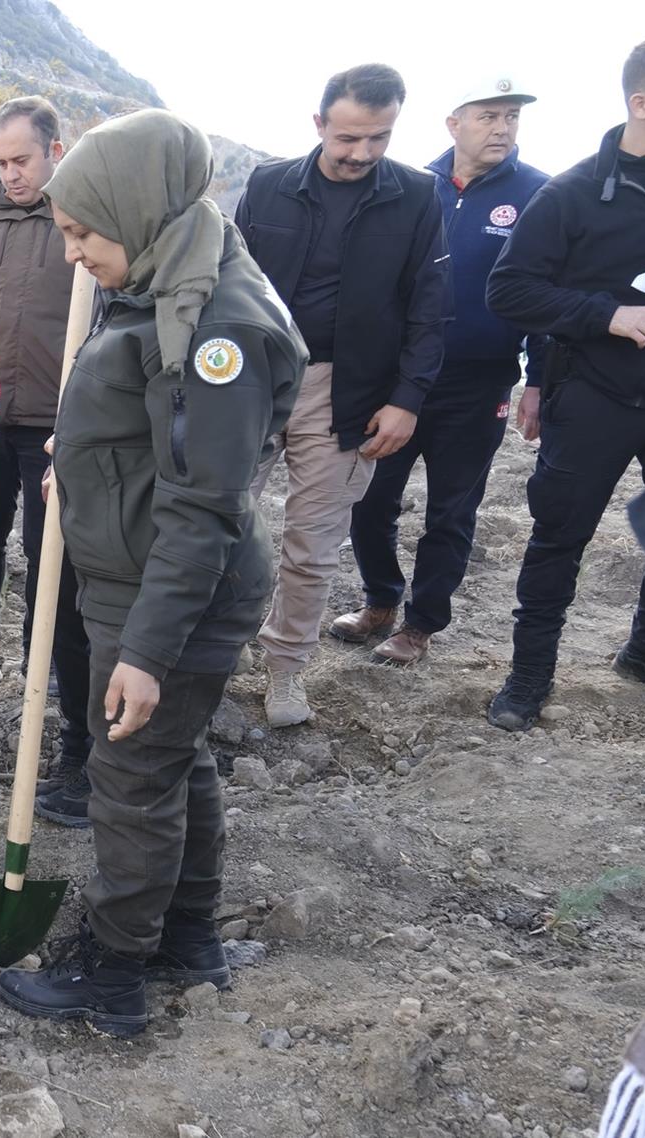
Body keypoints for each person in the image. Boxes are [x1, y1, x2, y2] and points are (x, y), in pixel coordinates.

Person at [0, 109, 306, 1036]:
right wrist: (82, 449)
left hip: (172, 592)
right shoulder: (167, 278)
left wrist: (145, 653)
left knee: (130, 776)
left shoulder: (219, 330)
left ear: (137, 209)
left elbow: (202, 505)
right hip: (137, 572)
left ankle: (116, 974)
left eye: (84, 234)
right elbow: (145, 425)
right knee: (174, 758)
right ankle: (188, 938)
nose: (74, 254)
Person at [235, 63, 450, 728]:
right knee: (214, 522)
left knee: (313, 542)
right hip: (255, 382)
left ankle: (286, 670)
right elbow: (230, 284)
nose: (361, 153)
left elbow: (429, 307)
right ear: (320, 124)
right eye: (349, 137)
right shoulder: (268, 185)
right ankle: (208, 649)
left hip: (348, 392)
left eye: (378, 139)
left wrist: (407, 398)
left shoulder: (416, 195)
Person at [340, 78, 549, 666]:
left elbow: (545, 291)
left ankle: (421, 623)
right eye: (489, 116)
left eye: (512, 117)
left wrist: (538, 379)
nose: (503, 128)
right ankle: (379, 600)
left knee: (452, 509)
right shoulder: (411, 186)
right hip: (400, 379)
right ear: (454, 123)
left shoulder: (539, 194)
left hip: (480, 381)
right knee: (370, 498)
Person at [484, 41, 645, 729]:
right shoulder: (575, 192)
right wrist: (607, 314)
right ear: (641, 103)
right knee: (559, 539)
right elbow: (509, 289)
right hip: (592, 395)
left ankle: (642, 653)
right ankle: (527, 681)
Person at [0, 94, 95, 826]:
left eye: (22, 160)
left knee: (48, 555)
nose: (11, 175)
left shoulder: (82, 215)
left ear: (55, 151)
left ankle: (49, 671)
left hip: (54, 420)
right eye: (0, 162)